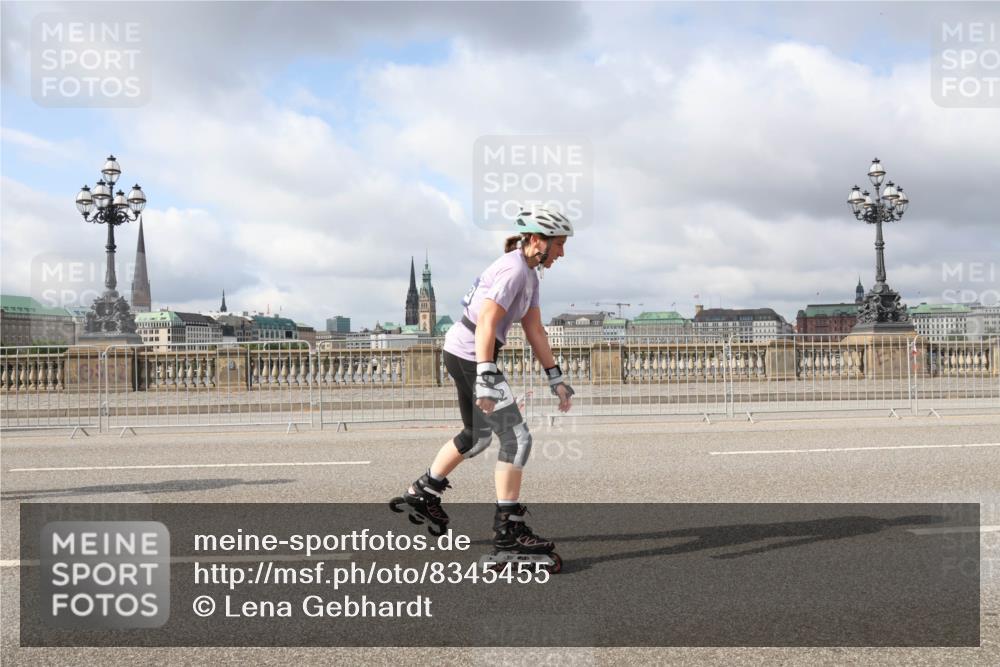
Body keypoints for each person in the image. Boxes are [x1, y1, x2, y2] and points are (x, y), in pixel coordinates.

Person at [395, 205, 575, 556]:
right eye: (559, 245)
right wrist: (486, 373)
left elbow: (535, 329)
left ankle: (424, 491)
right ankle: (508, 530)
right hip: (471, 353)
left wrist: (555, 377)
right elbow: (488, 321)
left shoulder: (530, 275)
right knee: (517, 438)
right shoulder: (513, 271)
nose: (562, 253)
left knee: (476, 438)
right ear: (538, 241)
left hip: (465, 352)